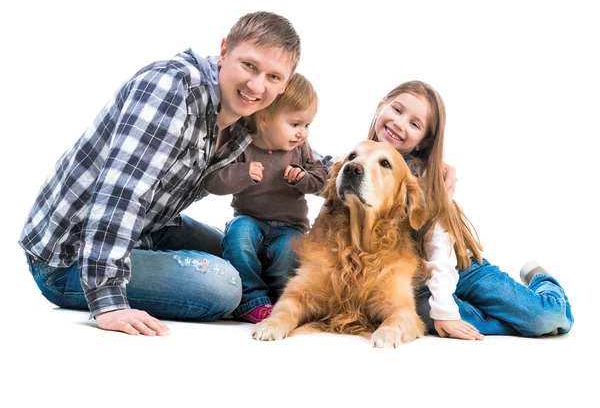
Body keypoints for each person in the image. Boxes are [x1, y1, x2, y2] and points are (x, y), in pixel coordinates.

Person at [18, 11, 301, 336]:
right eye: (248, 65)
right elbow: (122, 192)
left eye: (273, 77)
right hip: (69, 256)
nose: (256, 85)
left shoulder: (244, 119)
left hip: (145, 229)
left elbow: (297, 145)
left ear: (285, 84)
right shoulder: (171, 89)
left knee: (246, 256)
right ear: (224, 51)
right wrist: (107, 300)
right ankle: (108, 279)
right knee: (223, 284)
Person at [365, 80, 574, 338]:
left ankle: (541, 283)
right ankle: (506, 320)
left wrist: (444, 310)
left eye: (414, 124)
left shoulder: (428, 178)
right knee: (420, 313)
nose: (399, 123)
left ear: (423, 141)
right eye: (397, 110)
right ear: (380, 106)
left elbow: (438, 245)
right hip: (419, 281)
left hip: (461, 268)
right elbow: (325, 176)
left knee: (547, 318)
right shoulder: (357, 161)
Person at [203, 73, 328, 323]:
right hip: (251, 220)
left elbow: (322, 180)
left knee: (290, 251)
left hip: (290, 226)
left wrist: (302, 178)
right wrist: (242, 174)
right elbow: (213, 181)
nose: (302, 133)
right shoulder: (243, 145)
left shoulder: (299, 148)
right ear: (264, 118)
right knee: (238, 237)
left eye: (307, 125)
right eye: (295, 124)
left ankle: (281, 301)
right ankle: (250, 299)